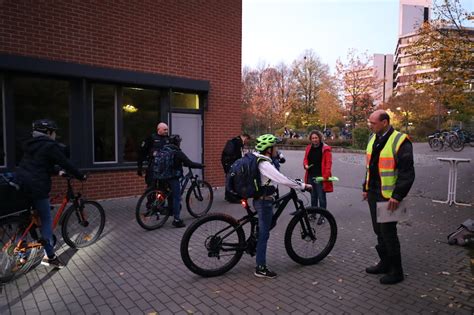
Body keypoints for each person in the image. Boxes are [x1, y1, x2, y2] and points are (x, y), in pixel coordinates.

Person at [15, 119, 86, 269]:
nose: (55, 135)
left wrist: (56, 171)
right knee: (47, 219)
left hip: (21, 184)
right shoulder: (49, 145)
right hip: (37, 188)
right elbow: (65, 162)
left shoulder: (29, 144)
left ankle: (21, 255)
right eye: (54, 132)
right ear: (48, 133)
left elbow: (38, 163)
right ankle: (50, 257)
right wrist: (81, 175)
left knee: (25, 220)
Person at [363, 109, 415, 285]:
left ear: (385, 122)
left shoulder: (401, 141)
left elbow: (407, 172)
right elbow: (370, 167)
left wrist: (398, 195)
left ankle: (397, 271)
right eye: (370, 122)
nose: (370, 126)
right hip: (374, 193)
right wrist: (366, 187)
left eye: (373, 123)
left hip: (389, 197)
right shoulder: (373, 139)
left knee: (388, 233)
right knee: (378, 231)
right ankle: (384, 263)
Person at [252, 134, 312, 278]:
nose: (276, 149)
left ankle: (254, 241)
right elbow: (281, 179)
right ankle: (260, 267)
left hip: (260, 198)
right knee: (264, 234)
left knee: (269, 223)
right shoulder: (265, 164)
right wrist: (303, 186)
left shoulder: (257, 157)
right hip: (264, 201)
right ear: (268, 149)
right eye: (275, 147)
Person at [163, 134, 204, 228]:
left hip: (161, 176)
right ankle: (176, 220)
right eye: (179, 142)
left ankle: (168, 209)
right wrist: (200, 165)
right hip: (172, 176)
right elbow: (188, 163)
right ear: (177, 142)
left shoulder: (164, 149)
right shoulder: (177, 152)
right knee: (177, 197)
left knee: (169, 194)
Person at [302, 130, 333, 224]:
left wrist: (326, 176)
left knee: (321, 197)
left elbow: (328, 163)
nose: (314, 140)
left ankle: (323, 216)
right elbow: (305, 159)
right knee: (313, 196)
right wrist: (306, 165)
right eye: (313, 138)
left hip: (320, 177)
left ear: (320, 138)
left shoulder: (325, 148)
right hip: (311, 175)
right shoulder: (308, 148)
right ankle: (313, 214)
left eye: (316, 138)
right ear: (310, 139)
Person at [137, 122, 170, 188]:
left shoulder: (168, 139)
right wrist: (140, 167)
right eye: (164, 130)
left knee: (164, 187)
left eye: (167, 130)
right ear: (159, 129)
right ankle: (151, 197)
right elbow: (142, 152)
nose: (166, 131)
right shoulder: (151, 138)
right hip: (153, 167)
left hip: (164, 168)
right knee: (151, 186)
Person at [221, 133, 251, 203]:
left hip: (226, 162)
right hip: (230, 163)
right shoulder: (238, 142)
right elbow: (239, 156)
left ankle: (228, 196)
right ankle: (232, 198)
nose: (247, 142)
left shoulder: (235, 140)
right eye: (247, 140)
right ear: (246, 137)